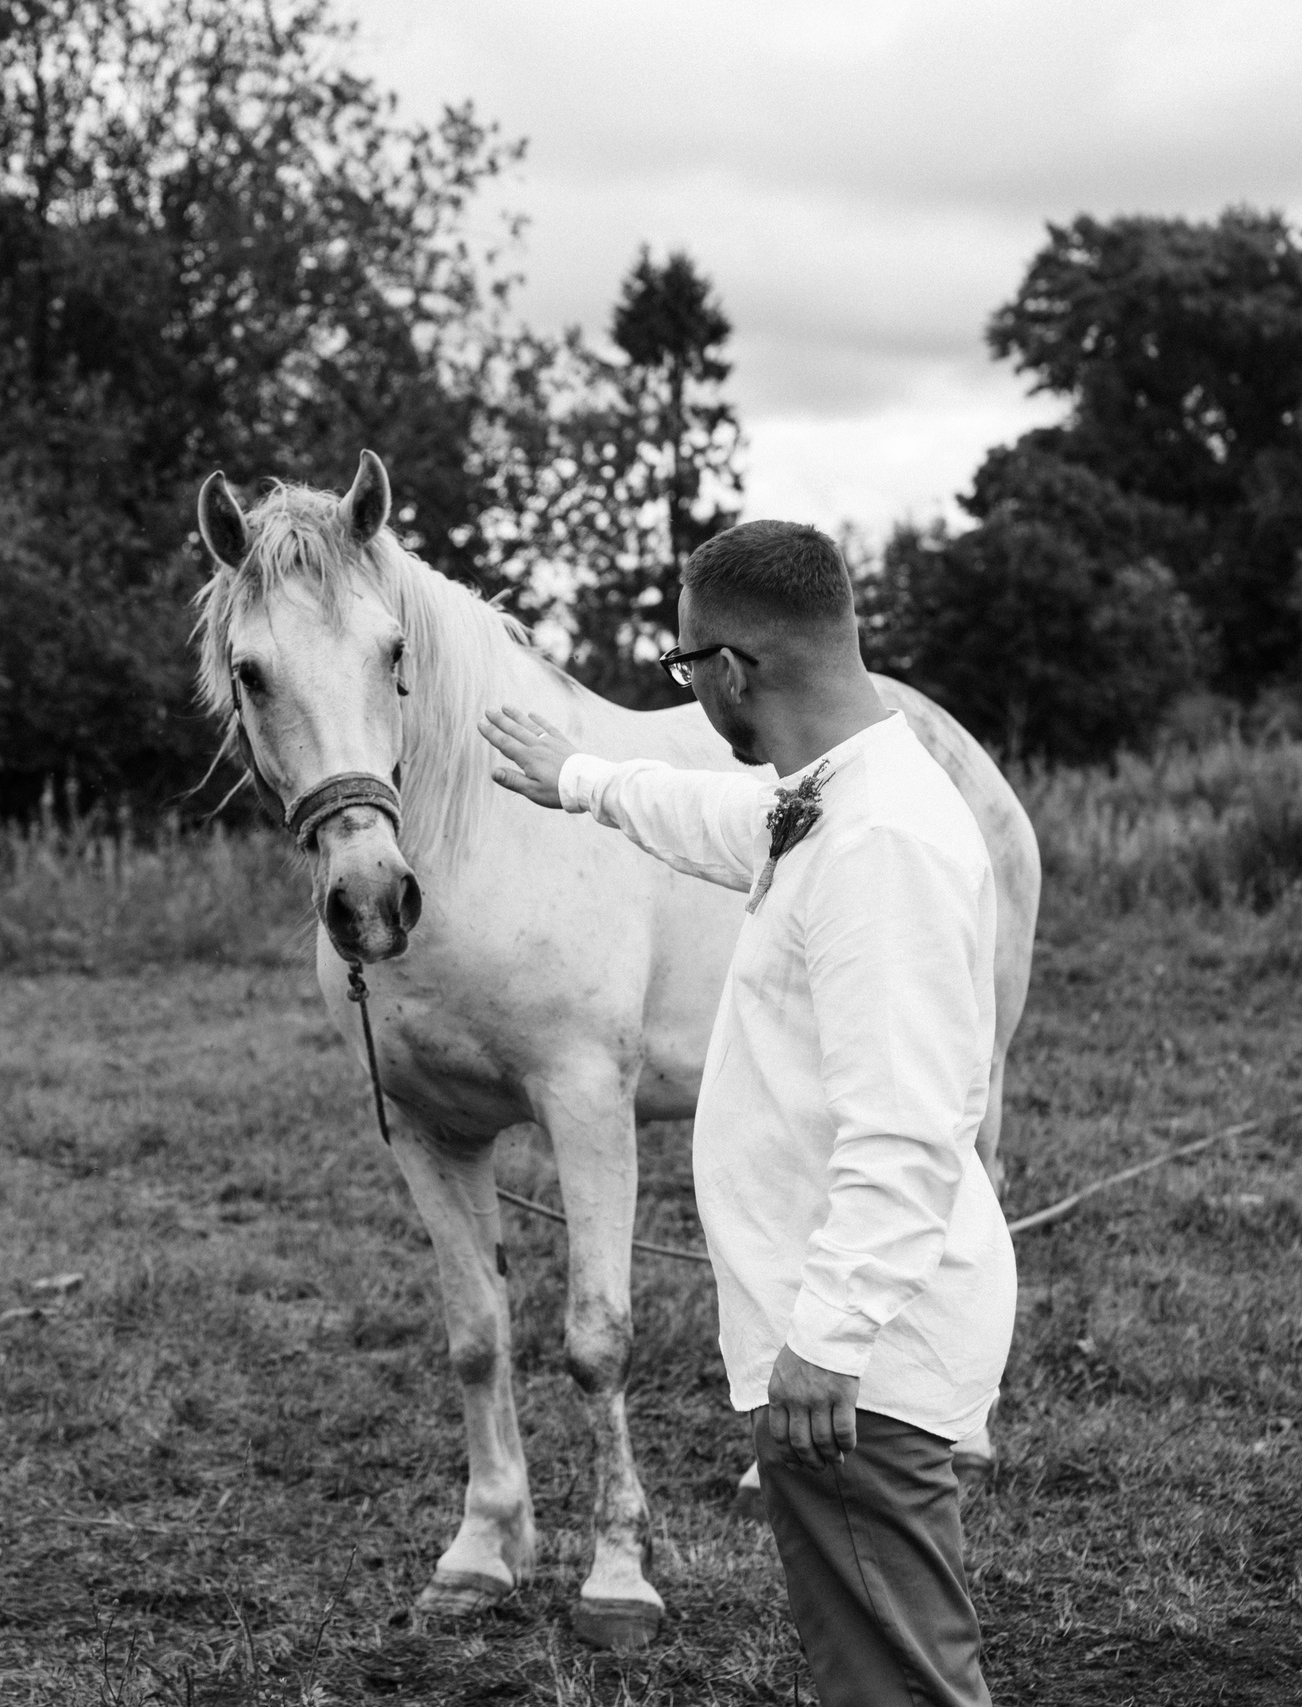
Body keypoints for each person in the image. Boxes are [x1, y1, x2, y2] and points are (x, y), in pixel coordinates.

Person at [479, 520, 1013, 1707]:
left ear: (731, 669)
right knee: (873, 1661)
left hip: (859, 1366)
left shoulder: (881, 846)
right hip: (846, 1348)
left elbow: (910, 1131)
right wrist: (581, 779)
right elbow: (728, 825)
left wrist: (825, 1346)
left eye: (682, 667)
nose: (688, 690)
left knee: (901, 1683)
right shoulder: (833, 793)